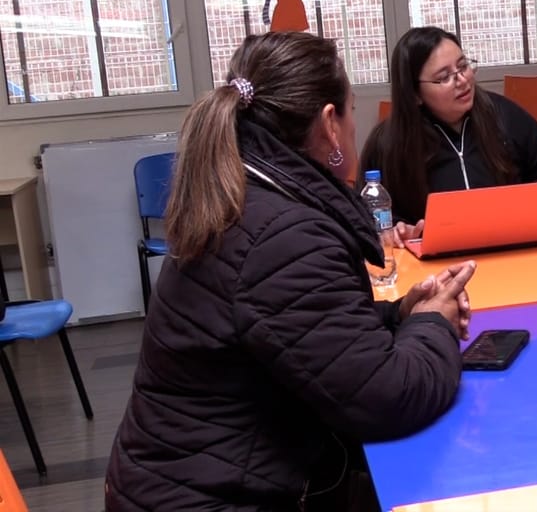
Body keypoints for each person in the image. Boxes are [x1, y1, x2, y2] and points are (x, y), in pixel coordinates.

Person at [105, 32, 477, 511]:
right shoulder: (283, 234)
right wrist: (435, 323)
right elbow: (387, 399)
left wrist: (399, 313)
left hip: (175, 486)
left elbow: (300, 335)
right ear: (329, 124)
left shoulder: (247, 197)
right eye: (350, 109)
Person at [360, 26, 537, 245]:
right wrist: (398, 229)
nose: (462, 80)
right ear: (415, 94)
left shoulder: (507, 117)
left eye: (463, 66)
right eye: (445, 77)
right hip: (430, 269)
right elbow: (368, 215)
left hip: (510, 251)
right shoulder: (388, 143)